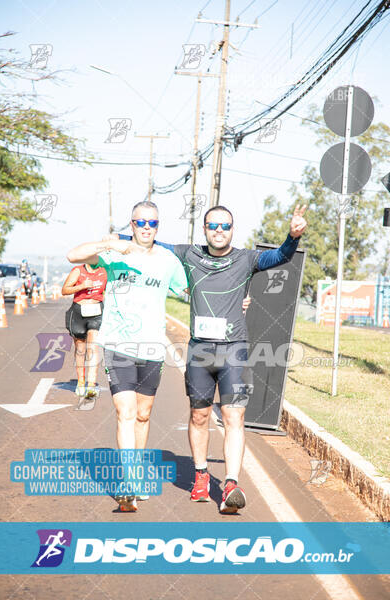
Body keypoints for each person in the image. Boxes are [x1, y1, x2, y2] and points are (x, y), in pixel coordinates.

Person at [113, 203, 307, 514]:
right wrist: (119, 235)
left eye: (225, 226)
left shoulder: (246, 259)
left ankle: (231, 483)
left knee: (235, 417)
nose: (219, 231)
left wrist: (292, 237)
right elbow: (147, 242)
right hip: (200, 352)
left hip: (234, 351)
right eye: (213, 226)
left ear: (233, 230)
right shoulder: (189, 254)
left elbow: (280, 256)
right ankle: (201, 476)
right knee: (199, 417)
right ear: (204, 229)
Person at [66, 201, 188, 511]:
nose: (146, 228)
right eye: (140, 222)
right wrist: (110, 243)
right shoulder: (115, 253)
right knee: (125, 412)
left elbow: (189, 291)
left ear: (158, 226)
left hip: (151, 347)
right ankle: (129, 481)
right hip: (118, 344)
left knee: (144, 415)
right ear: (131, 224)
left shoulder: (167, 260)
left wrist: (233, 302)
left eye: (152, 223)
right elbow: (73, 255)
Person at [62, 262, 107, 400]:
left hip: (96, 313)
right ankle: (81, 382)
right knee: (80, 350)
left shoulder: (105, 271)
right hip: (78, 313)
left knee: (93, 348)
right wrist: (82, 286)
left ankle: (91, 385)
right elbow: (64, 290)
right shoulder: (78, 271)